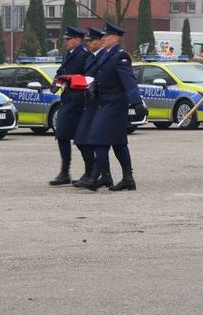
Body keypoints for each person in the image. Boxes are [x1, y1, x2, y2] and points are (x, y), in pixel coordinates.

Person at [76, 22, 147, 191]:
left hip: (115, 103)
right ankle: (126, 178)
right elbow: (100, 76)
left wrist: (136, 102)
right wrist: (93, 87)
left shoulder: (120, 56)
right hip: (104, 101)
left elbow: (129, 81)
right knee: (118, 142)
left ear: (115, 38)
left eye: (106, 36)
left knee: (100, 139)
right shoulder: (106, 55)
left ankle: (98, 177)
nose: (103, 38)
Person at [49, 26, 92, 186]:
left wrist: (71, 80)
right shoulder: (68, 54)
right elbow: (61, 71)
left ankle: (90, 171)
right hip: (67, 100)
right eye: (66, 39)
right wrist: (56, 83)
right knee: (62, 135)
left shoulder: (84, 55)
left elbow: (87, 77)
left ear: (78, 40)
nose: (66, 41)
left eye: (69, 39)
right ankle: (65, 172)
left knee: (80, 139)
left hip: (79, 101)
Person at [72, 27, 107, 186]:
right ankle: (91, 173)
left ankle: (101, 175)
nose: (88, 43)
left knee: (98, 142)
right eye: (87, 41)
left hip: (100, 104)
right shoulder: (90, 57)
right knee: (81, 140)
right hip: (88, 102)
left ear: (100, 41)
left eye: (91, 40)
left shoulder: (103, 57)